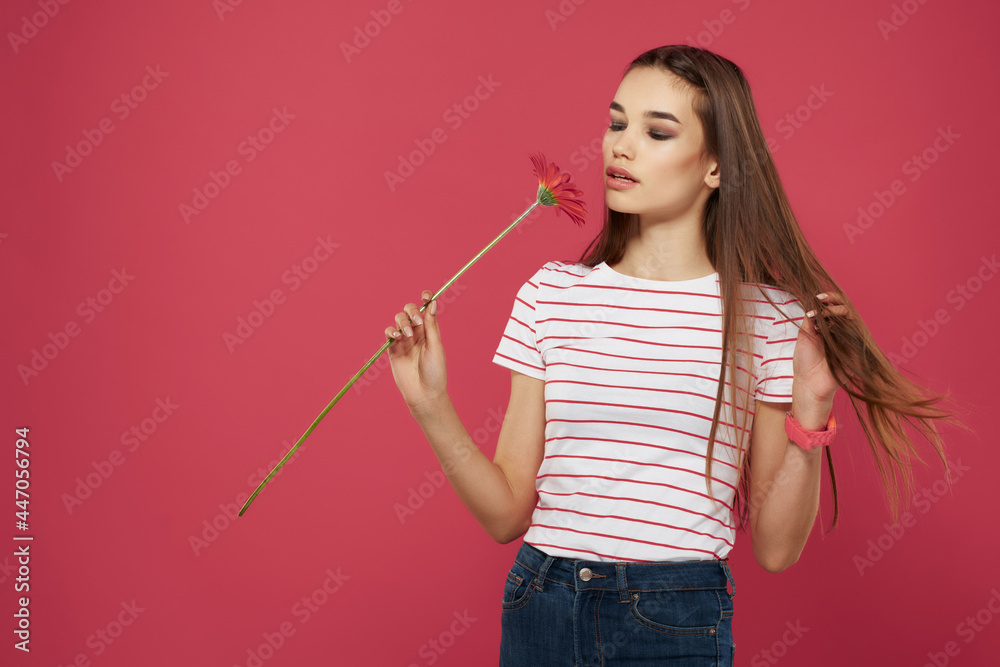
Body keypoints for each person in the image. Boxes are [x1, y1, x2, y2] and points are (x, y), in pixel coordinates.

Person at [383, 45, 953, 667]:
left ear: (715, 167)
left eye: (657, 132)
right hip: (541, 600)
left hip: (673, 613)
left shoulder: (770, 317)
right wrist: (430, 404)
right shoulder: (552, 295)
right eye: (616, 123)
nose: (620, 147)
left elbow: (776, 548)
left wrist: (811, 406)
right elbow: (505, 515)